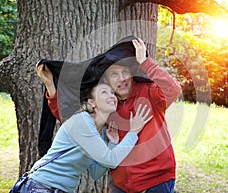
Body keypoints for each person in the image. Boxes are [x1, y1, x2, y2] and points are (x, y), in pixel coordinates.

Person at [43, 37, 182, 192]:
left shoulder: (149, 92)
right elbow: (69, 118)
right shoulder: (108, 106)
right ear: (107, 81)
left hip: (156, 180)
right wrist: (51, 89)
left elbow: (174, 90)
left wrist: (145, 62)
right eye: (114, 74)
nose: (121, 79)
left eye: (124, 72)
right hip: (121, 184)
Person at [20, 67, 153, 192]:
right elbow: (111, 160)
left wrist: (112, 144)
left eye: (112, 93)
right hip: (41, 186)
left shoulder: (102, 132)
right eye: (104, 92)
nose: (112, 96)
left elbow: (95, 172)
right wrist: (133, 132)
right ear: (92, 102)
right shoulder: (81, 121)